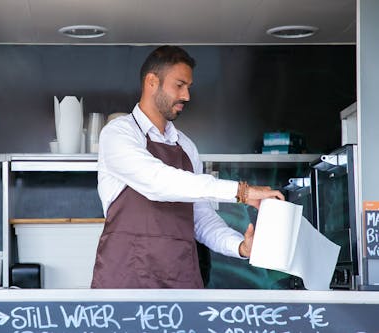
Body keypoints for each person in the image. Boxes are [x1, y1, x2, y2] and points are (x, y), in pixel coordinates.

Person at [91, 45, 284, 289]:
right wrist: (242, 192)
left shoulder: (186, 147)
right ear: (152, 82)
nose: (186, 96)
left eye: (188, 88)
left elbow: (202, 220)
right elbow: (157, 182)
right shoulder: (118, 134)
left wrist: (241, 247)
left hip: (179, 281)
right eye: (179, 85)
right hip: (125, 282)